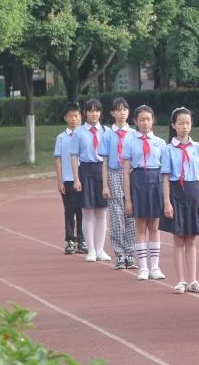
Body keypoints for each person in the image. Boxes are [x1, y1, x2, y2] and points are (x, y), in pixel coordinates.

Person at [160, 107, 199, 294]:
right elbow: (165, 177)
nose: (184, 127)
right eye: (180, 123)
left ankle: (193, 280)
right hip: (175, 193)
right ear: (173, 125)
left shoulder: (198, 148)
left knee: (191, 240)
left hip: (193, 192)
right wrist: (167, 202)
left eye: (187, 123)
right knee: (178, 239)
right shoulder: (167, 149)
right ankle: (180, 280)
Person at [122, 104, 167, 281]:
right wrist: (128, 199)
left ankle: (155, 266)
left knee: (154, 227)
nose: (145, 123)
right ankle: (142, 267)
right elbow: (126, 171)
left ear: (153, 121)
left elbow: (165, 171)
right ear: (135, 122)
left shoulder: (161, 143)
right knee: (140, 226)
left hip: (156, 182)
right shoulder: (129, 142)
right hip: (138, 181)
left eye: (148, 119)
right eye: (142, 120)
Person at [71, 99, 109, 262]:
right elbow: (74, 156)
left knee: (102, 213)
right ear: (85, 113)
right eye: (91, 110)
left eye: (97, 110)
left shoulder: (106, 132)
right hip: (85, 171)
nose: (94, 114)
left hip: (102, 171)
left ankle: (100, 249)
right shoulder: (79, 132)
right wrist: (76, 179)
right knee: (87, 213)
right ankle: (91, 249)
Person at [102, 98, 137, 269]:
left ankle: (130, 253)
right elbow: (104, 160)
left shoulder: (134, 134)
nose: (122, 112)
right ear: (112, 113)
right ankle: (119, 254)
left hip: (130, 174)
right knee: (116, 215)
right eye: (118, 109)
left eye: (125, 109)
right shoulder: (107, 135)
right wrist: (105, 184)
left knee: (130, 214)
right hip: (114, 173)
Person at [53, 101, 85, 254]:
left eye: (76, 116)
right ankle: (70, 239)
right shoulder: (61, 138)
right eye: (71, 116)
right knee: (69, 210)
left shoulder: (85, 135)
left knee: (83, 211)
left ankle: (82, 239)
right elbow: (58, 159)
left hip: (83, 178)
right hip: (67, 179)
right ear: (65, 118)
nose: (74, 119)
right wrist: (60, 181)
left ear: (81, 117)